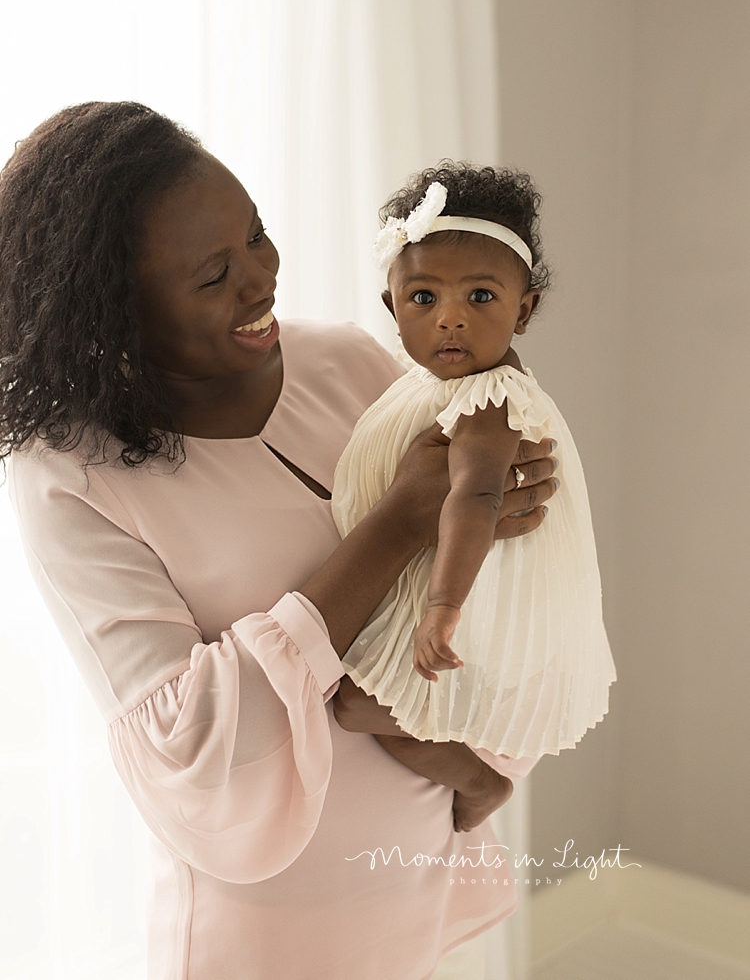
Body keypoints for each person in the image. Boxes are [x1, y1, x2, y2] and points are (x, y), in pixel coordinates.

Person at [0, 103, 558, 980]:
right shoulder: (73, 478)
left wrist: (477, 768)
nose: (261, 279)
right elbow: (197, 753)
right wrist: (399, 523)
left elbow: (503, 593)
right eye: (214, 274)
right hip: (268, 938)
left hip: (417, 872)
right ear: (112, 314)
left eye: (257, 235)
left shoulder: (350, 364)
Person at [332, 165, 616, 825]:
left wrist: (441, 610)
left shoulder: (489, 403)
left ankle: (482, 785)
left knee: (352, 704)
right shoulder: (432, 386)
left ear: (525, 308)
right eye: (424, 299)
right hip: (442, 579)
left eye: (480, 297)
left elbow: (477, 497)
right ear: (392, 307)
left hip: (467, 597)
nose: (450, 320)